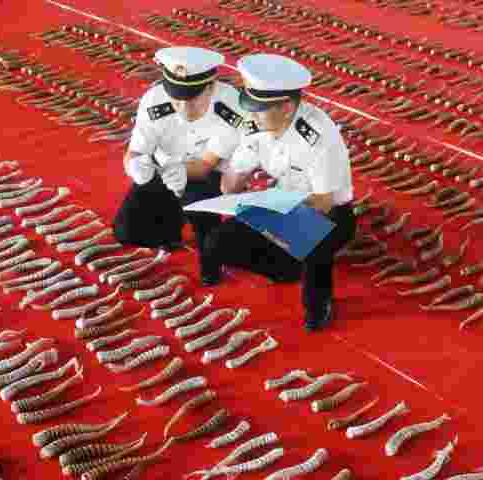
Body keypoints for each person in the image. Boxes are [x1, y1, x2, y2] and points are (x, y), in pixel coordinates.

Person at [209, 54, 355, 332]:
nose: (250, 114)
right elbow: (229, 185)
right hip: (279, 203)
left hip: (329, 213)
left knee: (314, 242)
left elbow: (323, 203)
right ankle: (286, 269)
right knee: (218, 243)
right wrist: (235, 180)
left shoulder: (317, 135)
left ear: (286, 107)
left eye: (259, 109)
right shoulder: (256, 125)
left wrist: (273, 207)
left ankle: (320, 303)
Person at [113, 46, 247, 270]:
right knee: (126, 231)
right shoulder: (154, 99)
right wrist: (134, 166)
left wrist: (178, 172)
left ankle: (212, 261)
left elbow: (205, 165)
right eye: (177, 99)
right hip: (163, 169)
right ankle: (168, 229)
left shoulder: (231, 107)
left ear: (211, 85)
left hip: (208, 175)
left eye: (193, 99)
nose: (184, 108)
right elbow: (136, 150)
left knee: (206, 229)